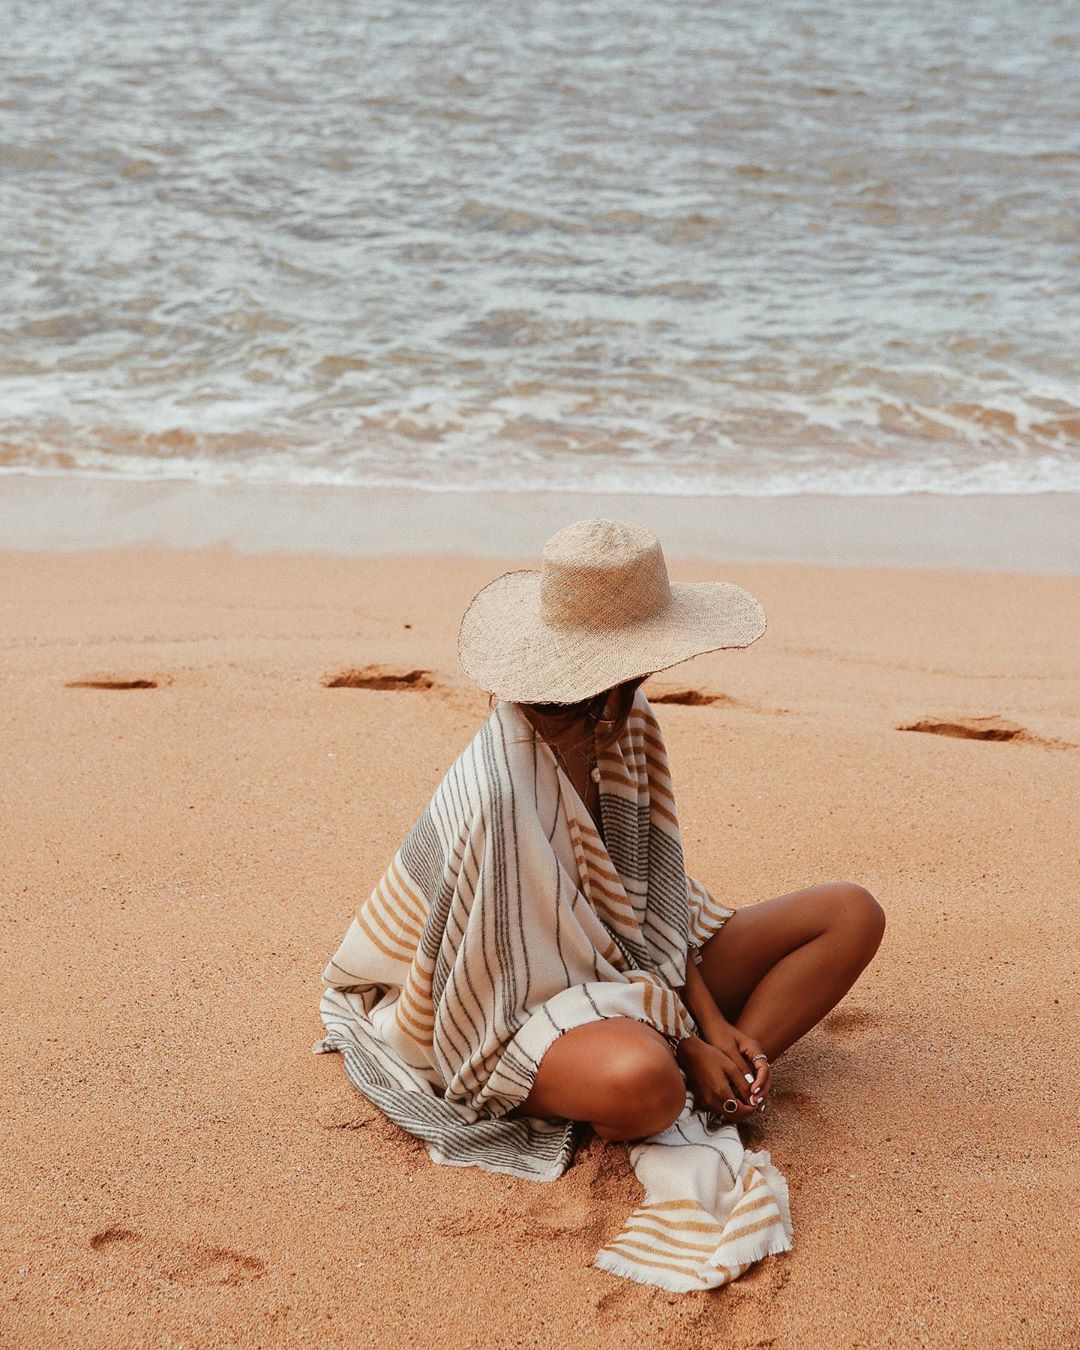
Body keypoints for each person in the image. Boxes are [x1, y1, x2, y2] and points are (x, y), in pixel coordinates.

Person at [317, 517, 884, 1165]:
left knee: (849, 913)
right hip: (517, 1007)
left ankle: (727, 1078)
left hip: (630, 976)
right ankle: (680, 1075)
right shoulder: (502, 789)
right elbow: (515, 982)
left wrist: (719, 1029)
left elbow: (653, 907)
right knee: (642, 1083)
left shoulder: (627, 723)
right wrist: (684, 1038)